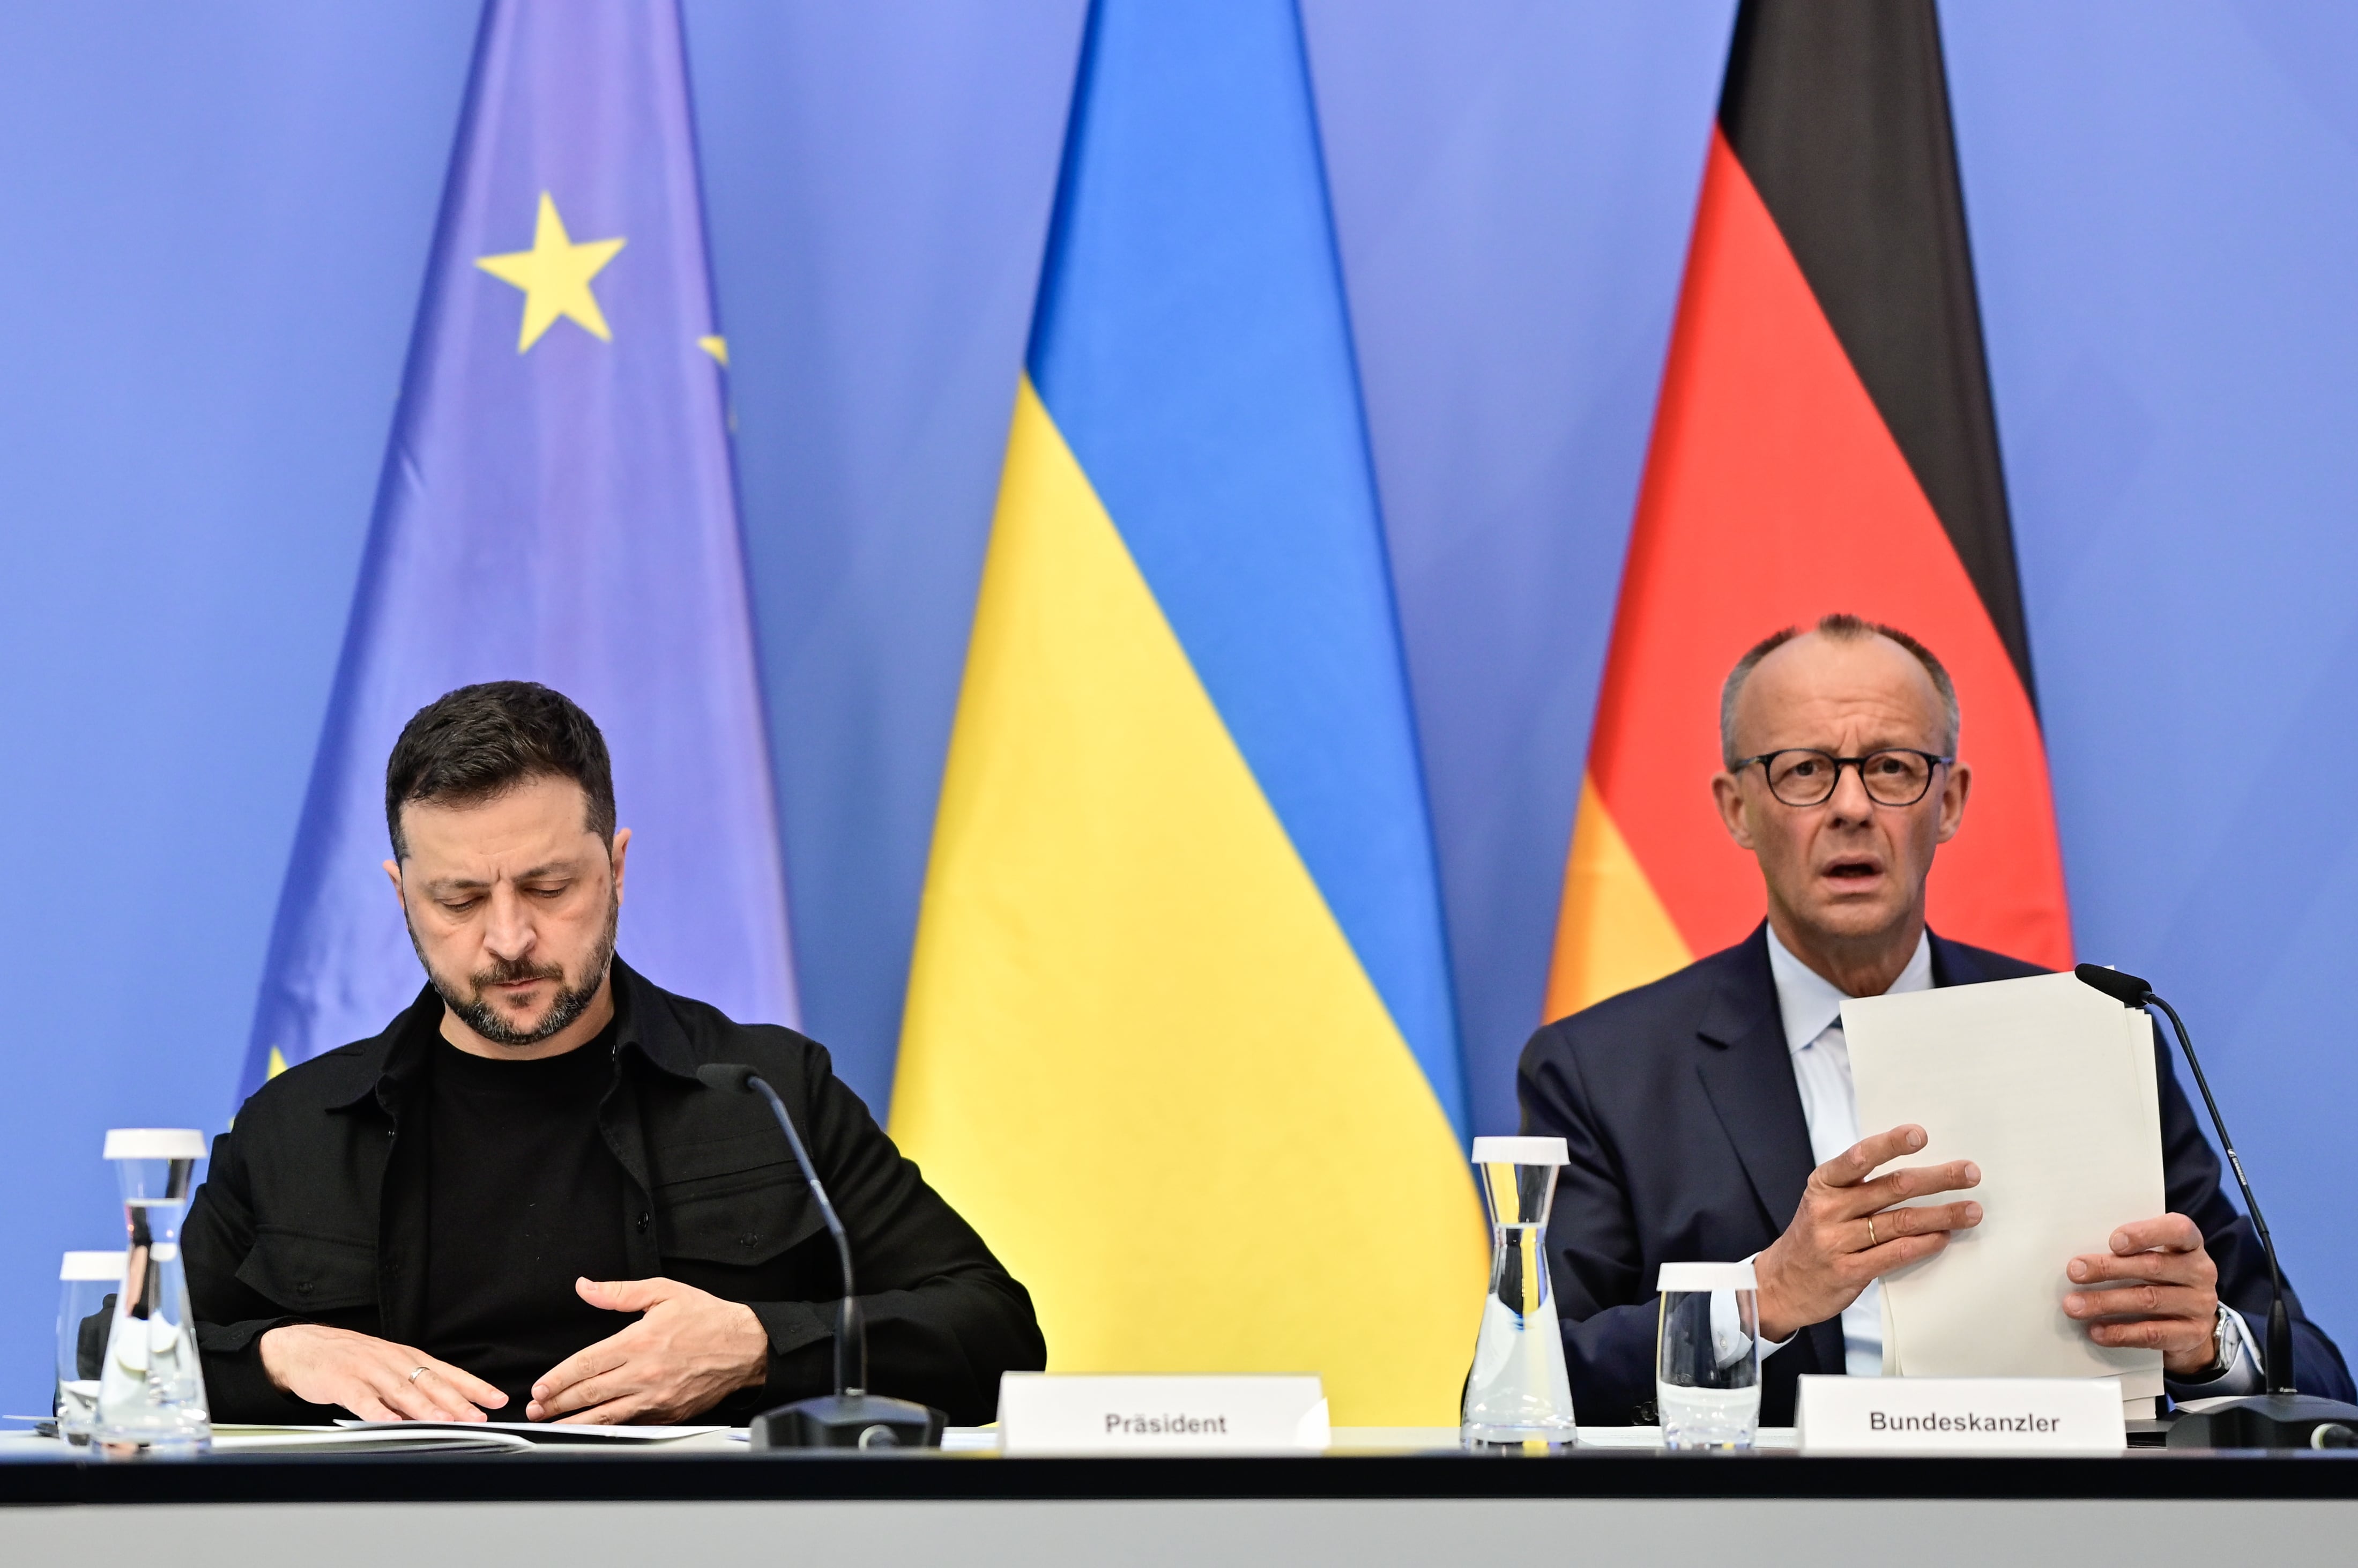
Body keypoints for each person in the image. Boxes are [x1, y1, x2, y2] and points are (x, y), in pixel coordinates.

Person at [1519, 614, 2353, 1425]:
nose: (1850, 805)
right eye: (1804, 769)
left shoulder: (2092, 1033)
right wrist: (1762, 1297)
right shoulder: (1603, 1071)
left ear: (1948, 800)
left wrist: (2206, 1340)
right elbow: (1537, 1380)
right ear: (1737, 807)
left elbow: (2316, 1375)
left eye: (1890, 767)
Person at [185, 681, 1044, 1426]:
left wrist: (758, 1346)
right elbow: (114, 1360)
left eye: (550, 887)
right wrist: (276, 1355)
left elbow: (995, 1332)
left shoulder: (768, 1093)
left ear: (618, 868)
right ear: (402, 896)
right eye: (459, 900)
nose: (510, 938)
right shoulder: (292, 1129)